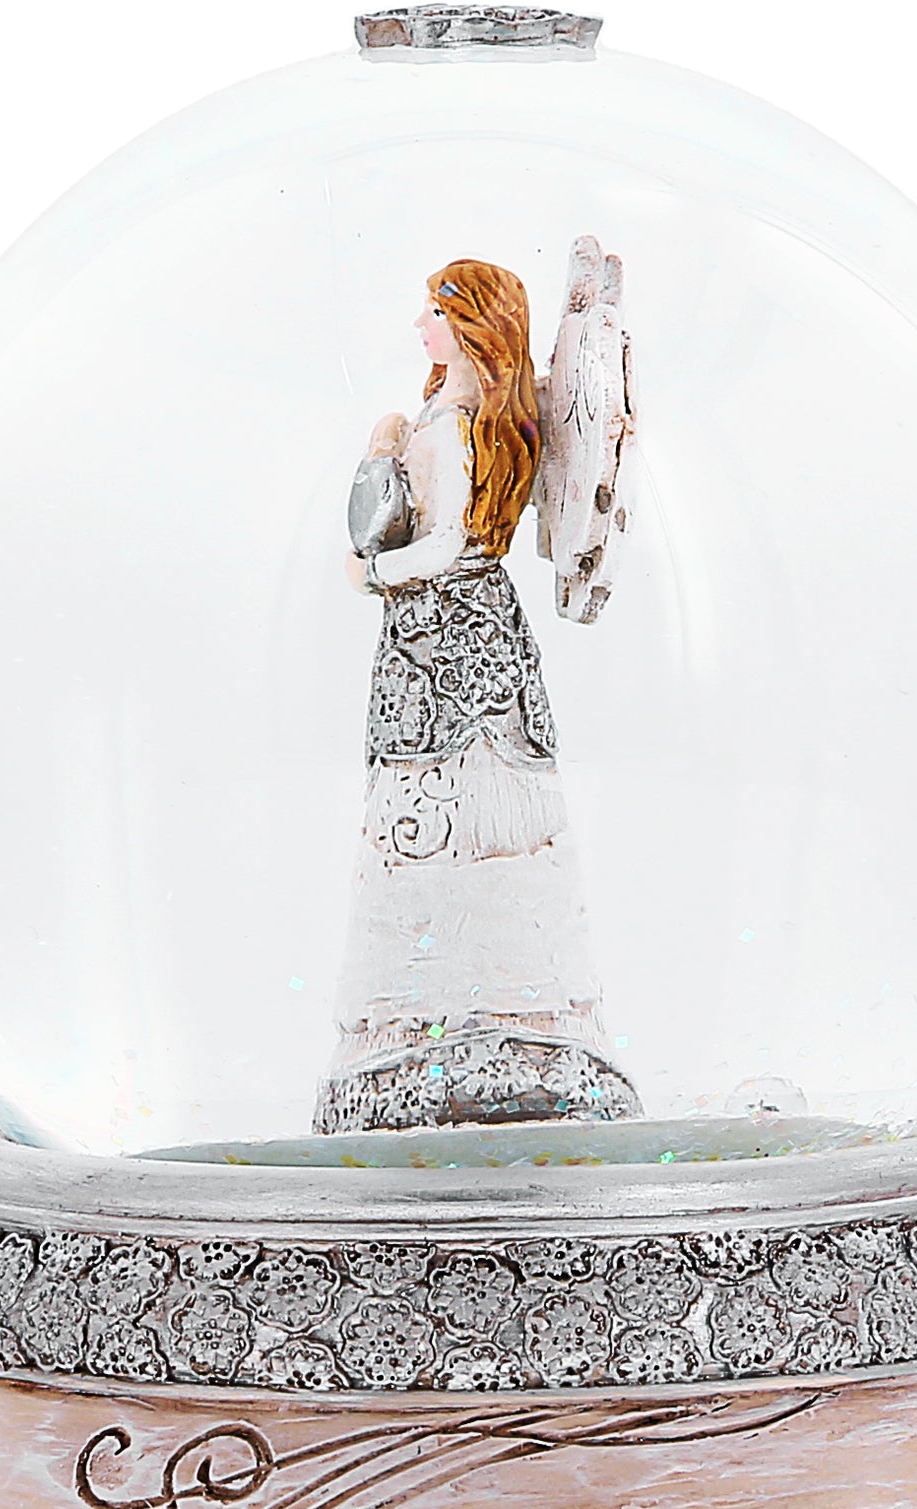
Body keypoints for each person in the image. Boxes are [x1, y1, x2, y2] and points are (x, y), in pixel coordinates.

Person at [316, 259, 639, 1137]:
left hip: (447, 637)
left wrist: (370, 573)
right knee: (441, 813)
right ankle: (450, 1017)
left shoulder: (457, 430)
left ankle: (478, 1021)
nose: (421, 325)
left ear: (470, 328)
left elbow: (449, 544)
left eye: (436, 311)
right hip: (444, 637)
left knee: (458, 807)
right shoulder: (447, 419)